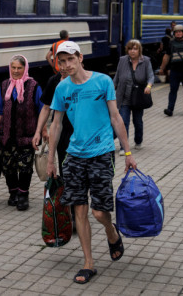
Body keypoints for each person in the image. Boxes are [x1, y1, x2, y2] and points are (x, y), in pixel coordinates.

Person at [46, 41, 137, 285]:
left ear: (80, 58)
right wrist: (51, 160)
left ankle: (111, 231)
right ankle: (88, 263)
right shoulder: (62, 88)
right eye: (61, 61)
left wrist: (128, 154)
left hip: (101, 153)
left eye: (70, 60)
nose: (66, 65)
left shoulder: (102, 82)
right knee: (79, 209)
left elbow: (116, 118)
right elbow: (56, 125)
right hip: (74, 155)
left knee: (99, 212)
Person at [0, 55, 43, 211]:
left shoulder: (34, 86)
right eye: (13, 67)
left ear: (25, 68)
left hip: (27, 135)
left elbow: (42, 110)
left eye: (19, 68)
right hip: (7, 135)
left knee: (25, 167)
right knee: (8, 167)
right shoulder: (4, 85)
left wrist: (41, 132)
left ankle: (23, 196)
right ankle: (13, 193)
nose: (16, 71)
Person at [113, 39, 154, 153]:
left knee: (137, 121)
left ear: (139, 50)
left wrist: (149, 86)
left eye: (135, 49)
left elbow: (151, 76)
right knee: (123, 122)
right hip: (123, 97)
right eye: (130, 49)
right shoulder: (122, 60)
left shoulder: (145, 61)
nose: (132, 51)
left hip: (138, 97)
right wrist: (110, 89)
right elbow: (116, 78)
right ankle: (123, 147)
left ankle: (138, 140)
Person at [33, 66, 73, 179]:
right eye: (61, 62)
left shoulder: (84, 81)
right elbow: (46, 108)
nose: (63, 67)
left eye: (67, 60)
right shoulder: (54, 81)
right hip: (61, 131)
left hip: (80, 132)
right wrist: (38, 132)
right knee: (64, 166)